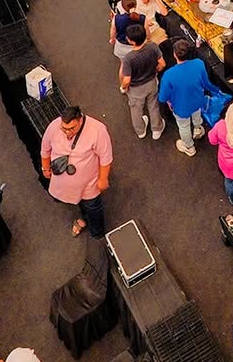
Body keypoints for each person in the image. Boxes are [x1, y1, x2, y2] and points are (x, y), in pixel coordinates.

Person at [40, 106, 112, 238]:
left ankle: (98, 235)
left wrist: (103, 179)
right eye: (64, 128)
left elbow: (105, 157)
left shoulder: (97, 130)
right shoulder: (54, 126)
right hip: (66, 184)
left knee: (93, 208)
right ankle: (84, 219)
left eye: (71, 129)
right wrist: (45, 167)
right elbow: (45, 149)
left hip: (89, 186)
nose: (67, 132)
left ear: (80, 121)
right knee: (80, 204)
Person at [158, 38, 212, 157]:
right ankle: (198, 129)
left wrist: (169, 102)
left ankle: (189, 147)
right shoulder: (199, 63)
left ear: (174, 54)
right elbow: (204, 81)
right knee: (197, 115)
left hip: (180, 106)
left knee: (184, 126)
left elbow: (162, 97)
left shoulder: (169, 75)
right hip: (197, 99)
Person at [119, 24, 166, 140]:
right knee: (153, 106)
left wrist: (124, 87)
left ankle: (140, 131)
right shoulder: (153, 47)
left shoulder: (128, 58)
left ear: (131, 41)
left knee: (136, 109)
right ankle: (157, 129)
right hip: (151, 82)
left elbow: (127, 79)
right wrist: (155, 71)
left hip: (136, 89)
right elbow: (162, 64)